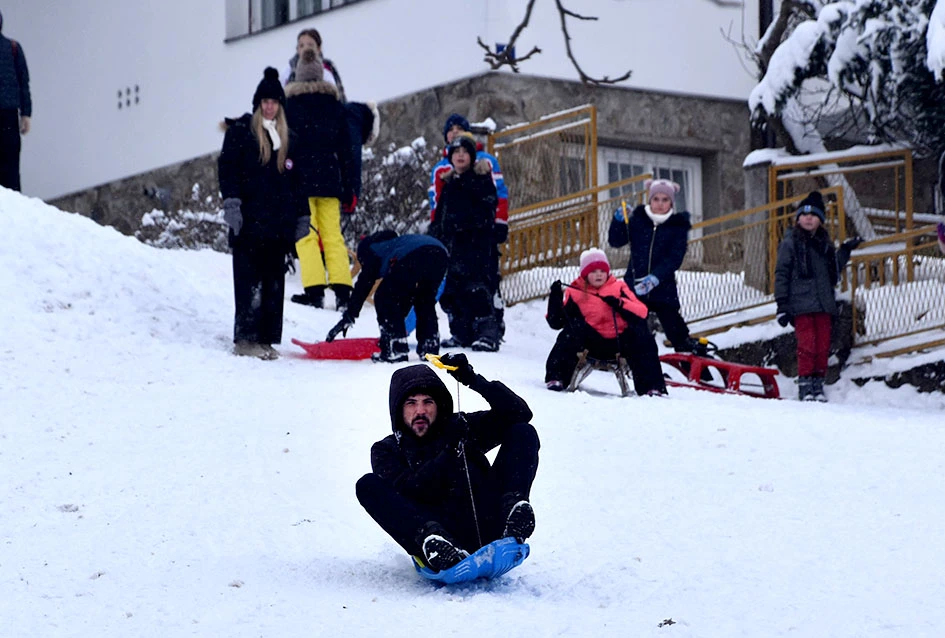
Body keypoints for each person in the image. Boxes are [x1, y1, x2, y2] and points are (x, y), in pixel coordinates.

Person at [355, 356, 539, 572]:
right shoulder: (387, 450)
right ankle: (434, 544)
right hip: (439, 534)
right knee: (367, 485)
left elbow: (519, 414)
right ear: (399, 409)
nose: (420, 411)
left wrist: (472, 379)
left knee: (522, 432)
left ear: (439, 405)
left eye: (428, 402)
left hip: (489, 520)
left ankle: (514, 512)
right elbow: (412, 489)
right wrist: (449, 453)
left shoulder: (460, 426)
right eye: (411, 403)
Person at [218, 67, 307, 360]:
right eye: (264, 101)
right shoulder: (242, 133)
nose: (269, 106)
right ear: (258, 104)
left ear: (280, 105)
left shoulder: (289, 138)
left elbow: (298, 183)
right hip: (248, 223)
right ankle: (246, 338)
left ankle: (266, 338)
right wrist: (232, 203)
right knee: (248, 281)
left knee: (272, 283)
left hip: (277, 226)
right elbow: (227, 170)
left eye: (274, 101)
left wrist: (302, 217)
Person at [284, 46, 358, 311]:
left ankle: (314, 291)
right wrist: (350, 185)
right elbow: (347, 148)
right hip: (329, 179)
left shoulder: (290, 107)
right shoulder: (334, 106)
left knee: (306, 235)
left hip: (301, 181)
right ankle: (342, 291)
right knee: (332, 236)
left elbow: (286, 146)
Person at [429, 114, 509, 343]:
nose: (460, 156)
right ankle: (461, 333)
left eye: (464, 151)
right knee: (453, 293)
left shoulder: (481, 179)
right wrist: (435, 237)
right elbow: (440, 216)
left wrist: (468, 225)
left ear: (472, 155)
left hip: (478, 247)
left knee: (478, 290)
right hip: (453, 249)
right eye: (456, 152)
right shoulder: (449, 183)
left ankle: (488, 334)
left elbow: (486, 210)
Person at [775, 191, 861, 401]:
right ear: (798, 219)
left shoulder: (825, 244)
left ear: (820, 220)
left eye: (813, 215)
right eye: (804, 215)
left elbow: (833, 270)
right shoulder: (791, 243)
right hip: (801, 305)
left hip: (823, 304)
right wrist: (782, 305)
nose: (808, 218)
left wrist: (845, 251)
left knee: (822, 346)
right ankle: (805, 386)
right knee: (807, 346)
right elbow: (781, 273)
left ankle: (817, 385)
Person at [544, 248, 667, 396]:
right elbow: (556, 322)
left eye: (602, 271)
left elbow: (642, 312)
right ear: (585, 274)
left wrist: (620, 304)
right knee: (571, 331)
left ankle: (651, 386)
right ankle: (557, 377)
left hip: (619, 342)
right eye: (593, 271)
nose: (598, 275)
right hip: (590, 341)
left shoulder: (619, 287)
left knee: (642, 336)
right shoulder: (575, 291)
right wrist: (555, 298)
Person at [608, 178, 702, 354]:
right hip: (635, 284)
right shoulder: (638, 220)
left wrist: (655, 278)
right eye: (656, 199)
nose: (660, 204)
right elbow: (615, 241)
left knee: (674, 326)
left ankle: (691, 359)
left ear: (671, 202)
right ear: (650, 200)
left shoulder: (677, 226)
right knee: (629, 326)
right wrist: (618, 221)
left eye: (665, 200)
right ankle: (621, 355)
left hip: (663, 286)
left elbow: (675, 257)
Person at [325, 230, 448, 363]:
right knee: (424, 300)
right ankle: (429, 347)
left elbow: (364, 283)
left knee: (384, 296)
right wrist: (397, 319)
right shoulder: (395, 245)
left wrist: (349, 315)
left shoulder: (370, 249)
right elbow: (404, 296)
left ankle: (395, 349)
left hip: (418, 254)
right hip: (440, 254)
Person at [0, 10, 31, 192]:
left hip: (9, 113)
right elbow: (23, 82)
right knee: (11, 167)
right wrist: (26, 114)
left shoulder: (13, 48)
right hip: (10, 116)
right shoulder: (13, 47)